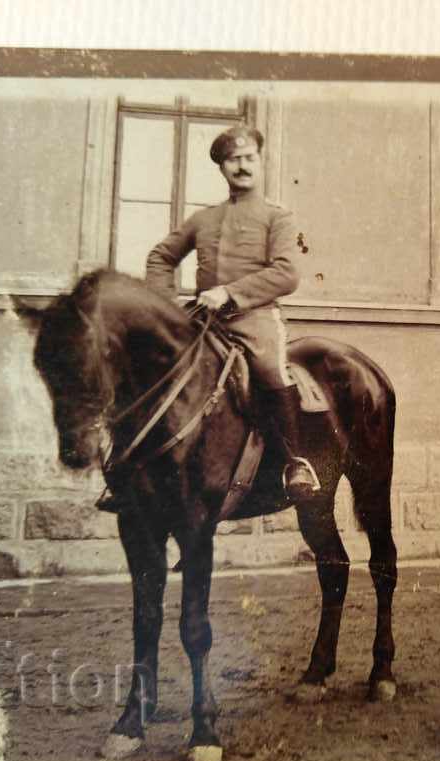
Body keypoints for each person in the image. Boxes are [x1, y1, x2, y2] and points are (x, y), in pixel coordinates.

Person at [143, 124, 321, 503]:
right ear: (222, 168)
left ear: (260, 161)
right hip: (202, 319)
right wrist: (165, 304)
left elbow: (287, 272)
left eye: (249, 158)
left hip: (253, 318)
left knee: (272, 370)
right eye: (233, 160)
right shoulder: (203, 219)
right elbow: (161, 256)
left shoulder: (278, 217)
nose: (242, 166)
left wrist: (230, 293)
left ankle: (295, 463)